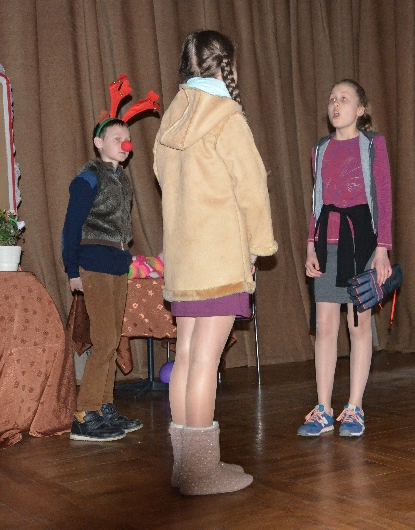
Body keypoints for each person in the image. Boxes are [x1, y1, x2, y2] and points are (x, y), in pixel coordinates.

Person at [153, 30, 277, 495]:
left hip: (185, 259)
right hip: (220, 257)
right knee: (206, 360)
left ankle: (187, 466)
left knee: (186, 357)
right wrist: (258, 245)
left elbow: (162, 176)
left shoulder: (172, 117)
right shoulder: (227, 116)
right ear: (229, 66)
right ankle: (202, 472)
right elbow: (253, 186)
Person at [300, 79, 392, 438]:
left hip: (363, 244)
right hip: (328, 241)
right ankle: (323, 409)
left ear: (360, 109)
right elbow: (316, 201)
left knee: (358, 325)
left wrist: (382, 248)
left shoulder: (373, 144)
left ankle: (355, 407)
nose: (335, 105)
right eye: (331, 100)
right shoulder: (320, 149)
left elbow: (383, 196)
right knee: (325, 326)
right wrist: (311, 245)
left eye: (344, 99)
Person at [62, 117, 143, 442]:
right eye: (116, 138)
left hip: (117, 263)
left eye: (127, 138)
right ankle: (84, 414)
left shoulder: (123, 180)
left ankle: (104, 407)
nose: (125, 143)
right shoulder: (88, 178)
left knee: (112, 339)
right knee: (105, 340)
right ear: (99, 143)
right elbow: (71, 227)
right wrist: (72, 270)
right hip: (93, 262)